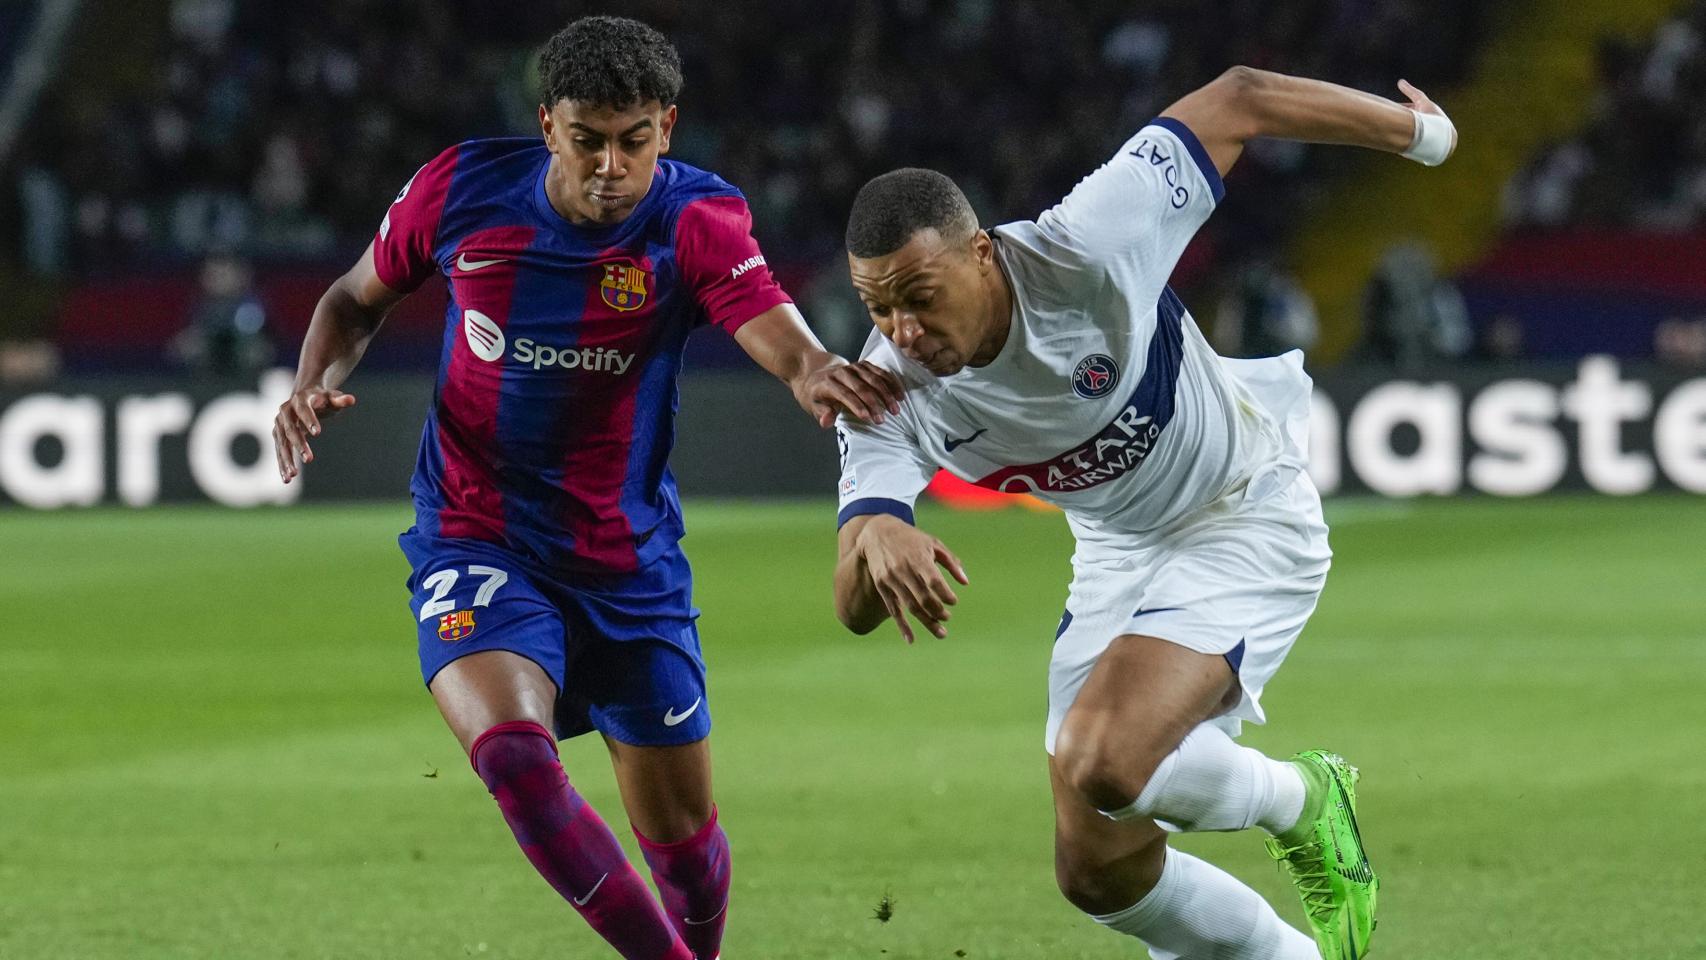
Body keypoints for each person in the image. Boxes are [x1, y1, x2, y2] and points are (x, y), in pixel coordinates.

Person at [271, 16, 901, 960]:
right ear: (547, 126)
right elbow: (352, 299)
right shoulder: (461, 190)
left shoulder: (695, 218)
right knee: (518, 762)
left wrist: (812, 372)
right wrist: (312, 381)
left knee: (686, 855)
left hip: (625, 561)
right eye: (588, 140)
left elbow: (769, 320)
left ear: (668, 128)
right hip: (474, 531)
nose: (612, 165)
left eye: (635, 141)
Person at [831, 68, 1456, 959]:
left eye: (918, 297)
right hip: (1117, 552)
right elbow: (851, 608)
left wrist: (1421, 136)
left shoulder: (1088, 242)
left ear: (980, 255)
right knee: (1101, 870)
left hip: (1241, 509)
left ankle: (1306, 801)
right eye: (877, 306)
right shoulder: (889, 388)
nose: (901, 329)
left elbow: (1240, 97)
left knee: (1107, 760)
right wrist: (877, 532)